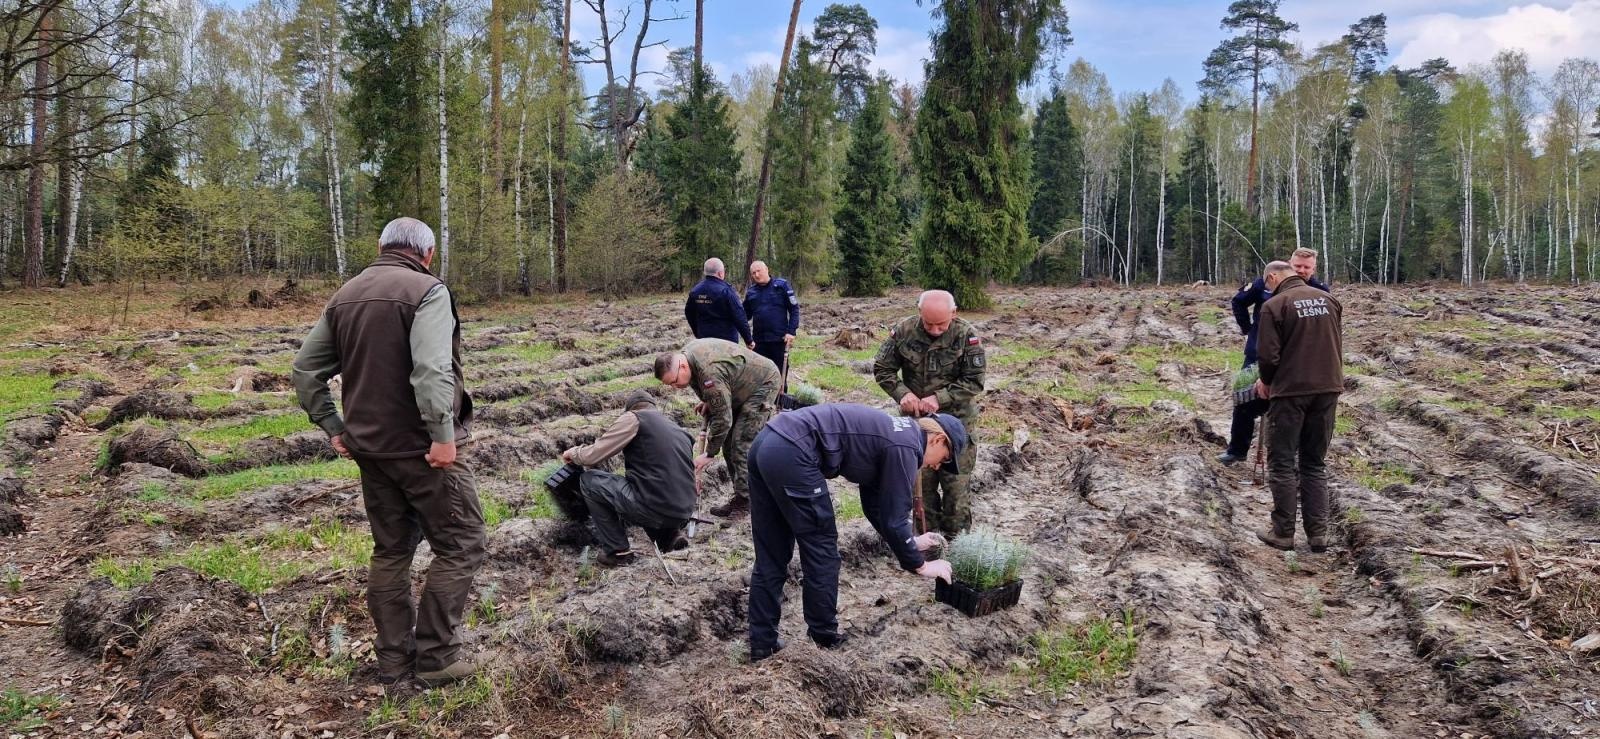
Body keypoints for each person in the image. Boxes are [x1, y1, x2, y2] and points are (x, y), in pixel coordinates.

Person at [291, 217, 484, 687]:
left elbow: (304, 370)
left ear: (381, 246)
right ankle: (437, 657)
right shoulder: (427, 291)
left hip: (371, 451)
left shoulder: (345, 296)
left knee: (392, 550)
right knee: (462, 542)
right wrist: (443, 436)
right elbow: (432, 369)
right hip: (421, 449)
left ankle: (395, 662)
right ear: (428, 253)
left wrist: (334, 426)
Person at [746, 403, 961, 662]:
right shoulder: (906, 447)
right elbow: (894, 519)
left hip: (767, 441)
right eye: (945, 459)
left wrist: (911, 541)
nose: (938, 467)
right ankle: (823, 637)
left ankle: (762, 643)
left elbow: (877, 506)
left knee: (772, 553)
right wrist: (921, 566)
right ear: (938, 439)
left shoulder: (898, 435)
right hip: (793, 452)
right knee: (822, 548)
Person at [871, 290, 985, 536]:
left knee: (956, 490)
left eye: (941, 324)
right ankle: (926, 545)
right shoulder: (904, 331)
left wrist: (939, 398)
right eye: (928, 324)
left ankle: (957, 547)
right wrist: (903, 394)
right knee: (920, 488)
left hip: (957, 425)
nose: (934, 330)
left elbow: (974, 381)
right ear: (919, 312)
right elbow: (882, 369)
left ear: (953, 314)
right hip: (918, 426)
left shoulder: (966, 335)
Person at [1252, 261, 1345, 553]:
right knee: (1314, 463)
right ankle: (1318, 535)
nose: (1267, 288)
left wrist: (1266, 382)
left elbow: (1267, 356)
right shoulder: (1330, 300)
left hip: (1291, 392)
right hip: (1328, 388)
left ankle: (1283, 533)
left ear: (1273, 277)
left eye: (1267, 283)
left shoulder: (1275, 305)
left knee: (1281, 462)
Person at [1219, 248, 1331, 465]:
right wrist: (1248, 329)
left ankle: (1291, 457)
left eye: (1306, 267)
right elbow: (1238, 301)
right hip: (1258, 355)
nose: (1301, 270)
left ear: (1314, 268)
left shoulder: (1319, 291)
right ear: (1289, 264)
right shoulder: (1265, 283)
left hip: (1297, 362)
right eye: (1297, 266)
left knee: (1294, 408)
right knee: (1243, 400)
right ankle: (1237, 450)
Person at [560, 391, 696, 567]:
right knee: (648, 485)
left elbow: (594, 456)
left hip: (654, 506)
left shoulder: (634, 418)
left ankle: (617, 551)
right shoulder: (678, 429)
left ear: (631, 409)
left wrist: (574, 453)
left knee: (589, 481)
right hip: (684, 511)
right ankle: (669, 537)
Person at [654, 339, 780, 517]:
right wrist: (709, 399)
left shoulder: (709, 372)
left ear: (682, 366)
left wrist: (710, 453)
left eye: (674, 381)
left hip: (762, 384)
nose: (676, 388)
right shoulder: (687, 358)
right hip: (738, 384)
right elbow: (714, 387)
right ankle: (741, 495)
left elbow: (723, 419)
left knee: (740, 444)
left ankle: (747, 502)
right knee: (728, 445)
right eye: (670, 385)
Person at [742, 260, 800, 388]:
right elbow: (744, 316)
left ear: (767, 269)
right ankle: (762, 405)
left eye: (759, 271)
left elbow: (794, 309)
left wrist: (791, 332)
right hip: (759, 342)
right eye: (753, 273)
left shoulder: (782, 286)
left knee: (780, 376)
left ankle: (780, 404)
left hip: (779, 340)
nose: (756, 275)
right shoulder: (751, 292)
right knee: (760, 377)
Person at [685, 257, 752, 346]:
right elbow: (739, 315)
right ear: (720, 273)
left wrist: (697, 332)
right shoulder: (726, 291)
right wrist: (748, 340)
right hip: (726, 341)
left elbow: (689, 313)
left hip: (704, 340)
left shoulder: (695, 291)